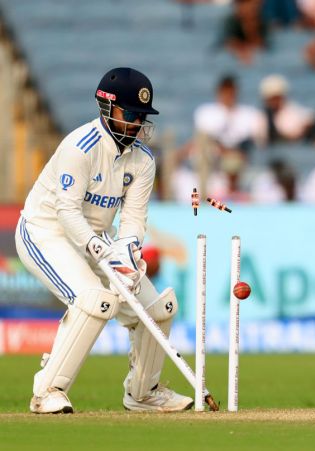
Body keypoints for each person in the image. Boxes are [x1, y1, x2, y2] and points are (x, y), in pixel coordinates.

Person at [15, 68, 193, 414]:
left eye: (142, 116)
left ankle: (143, 393)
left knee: (157, 310)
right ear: (107, 108)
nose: (137, 123)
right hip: (46, 231)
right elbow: (66, 211)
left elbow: (133, 219)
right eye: (130, 114)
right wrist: (98, 249)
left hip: (97, 236)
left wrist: (126, 252)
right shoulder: (79, 147)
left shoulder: (143, 160)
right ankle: (47, 391)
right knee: (94, 300)